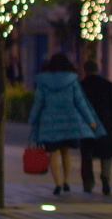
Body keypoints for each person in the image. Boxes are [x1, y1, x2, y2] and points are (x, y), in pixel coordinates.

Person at [28, 54, 104, 196]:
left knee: (54, 153)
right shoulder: (72, 80)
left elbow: (38, 102)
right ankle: (66, 181)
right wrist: (91, 121)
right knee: (65, 152)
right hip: (69, 122)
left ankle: (57, 184)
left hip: (49, 124)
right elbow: (80, 102)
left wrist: (32, 120)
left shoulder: (43, 81)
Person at [80, 59, 112, 196]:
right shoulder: (108, 85)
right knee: (106, 155)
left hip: (87, 126)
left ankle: (88, 183)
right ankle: (105, 178)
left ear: (85, 70)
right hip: (106, 125)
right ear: (97, 69)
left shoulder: (80, 86)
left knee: (87, 156)